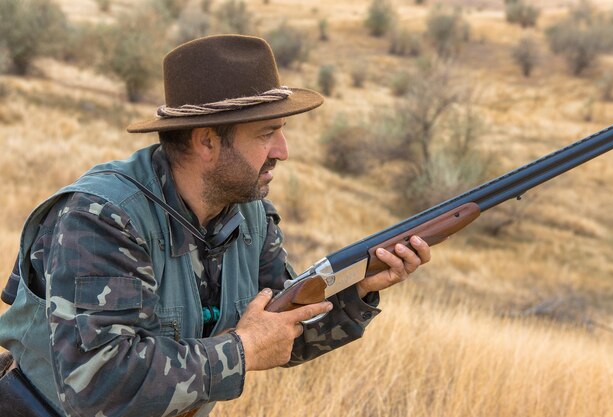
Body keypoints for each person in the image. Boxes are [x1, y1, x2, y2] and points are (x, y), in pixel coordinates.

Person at [0, 35, 430, 417]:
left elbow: (281, 330)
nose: (283, 149)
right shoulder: (103, 218)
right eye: (267, 133)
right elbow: (97, 388)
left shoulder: (250, 215)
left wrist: (360, 288)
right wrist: (241, 351)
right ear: (206, 141)